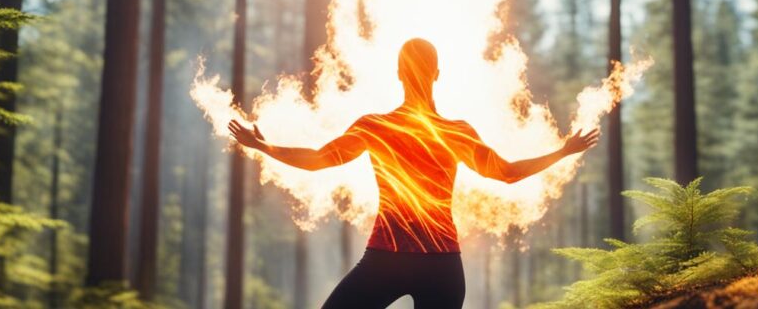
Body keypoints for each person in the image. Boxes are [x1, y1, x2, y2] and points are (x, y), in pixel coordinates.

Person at [228, 38, 599, 309]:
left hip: (389, 259)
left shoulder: (378, 126)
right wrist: (563, 151)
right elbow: (507, 174)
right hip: (438, 264)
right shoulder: (453, 132)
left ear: (399, 74)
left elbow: (319, 160)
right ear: (436, 74)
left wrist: (265, 147)